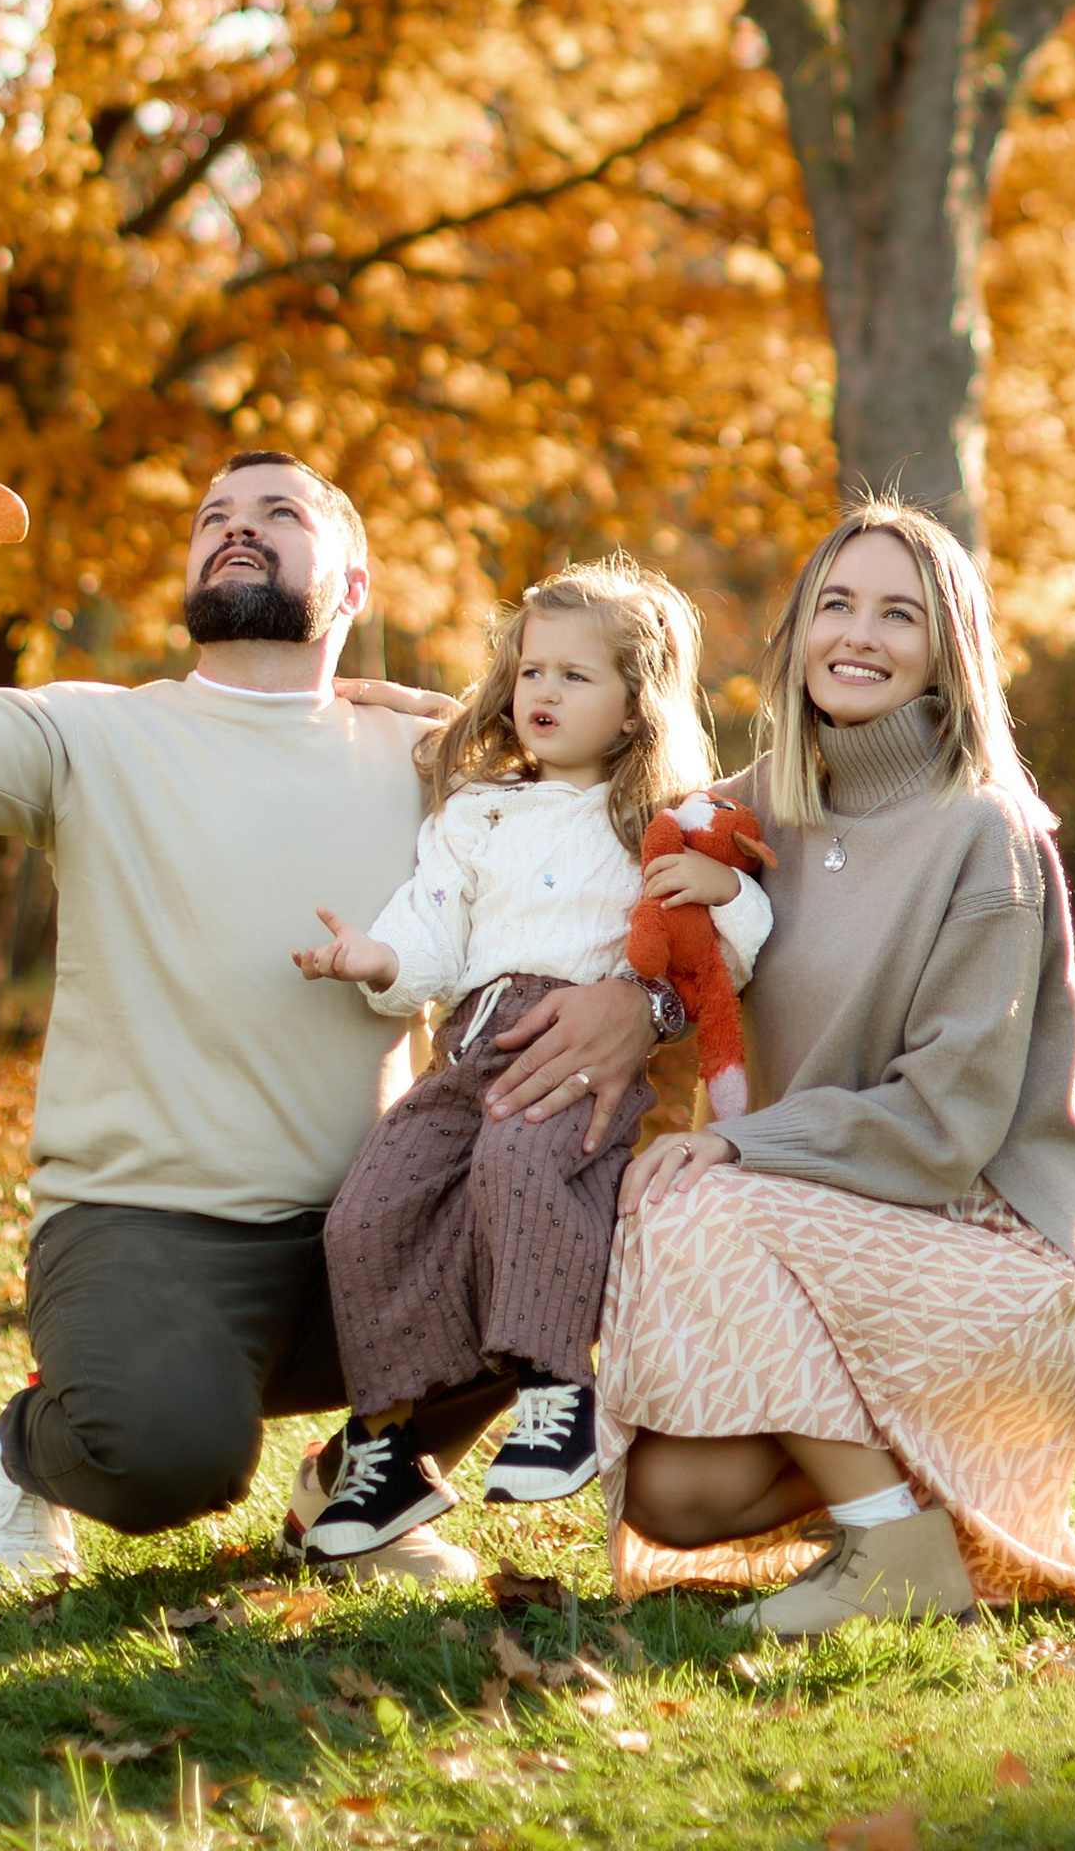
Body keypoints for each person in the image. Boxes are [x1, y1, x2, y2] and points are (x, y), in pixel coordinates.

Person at [0, 441, 666, 1586]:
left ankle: (357, 1489)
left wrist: (637, 1001)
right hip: (151, 1221)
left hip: (377, 1216)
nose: (235, 526)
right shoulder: (90, 735)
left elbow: (647, 823)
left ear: (354, 586)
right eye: (212, 516)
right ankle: (33, 1447)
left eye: (279, 512)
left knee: (579, 1222)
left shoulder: (444, 762)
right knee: (167, 1458)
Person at [603, 498, 1075, 1634]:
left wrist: (735, 1140)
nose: (859, 636)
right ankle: (921, 1488)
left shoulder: (987, 834)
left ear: (947, 650)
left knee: (699, 1195)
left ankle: (890, 1546)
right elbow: (586, 805)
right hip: (827, 1239)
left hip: (993, 1254)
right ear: (798, 632)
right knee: (673, 1497)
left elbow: (943, 1127)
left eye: (899, 614)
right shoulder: (749, 811)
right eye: (836, 604)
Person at [290, 561, 767, 1557]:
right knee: (370, 1207)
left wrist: (727, 899)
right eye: (530, 671)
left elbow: (727, 950)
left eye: (575, 676)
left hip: (575, 1051)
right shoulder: (477, 811)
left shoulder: (664, 820)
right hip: (470, 1039)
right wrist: (370, 958)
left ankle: (559, 1392)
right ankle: (384, 1451)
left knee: (518, 1168)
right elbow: (428, 934)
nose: (541, 693)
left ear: (638, 706)